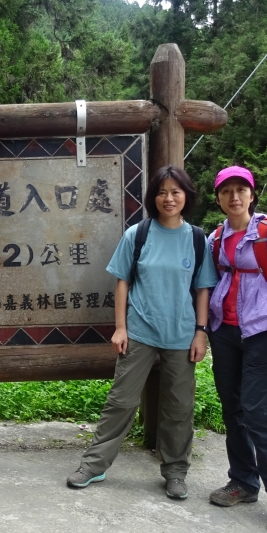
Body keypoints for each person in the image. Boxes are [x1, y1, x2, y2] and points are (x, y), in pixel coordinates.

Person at [67, 166, 217, 499]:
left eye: (176, 192)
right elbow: (123, 282)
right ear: (153, 197)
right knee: (121, 401)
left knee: (179, 408)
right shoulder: (138, 234)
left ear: (186, 197)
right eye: (162, 192)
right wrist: (121, 327)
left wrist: (200, 333)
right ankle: (94, 465)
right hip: (139, 332)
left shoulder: (196, 239)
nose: (169, 198)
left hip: (180, 335)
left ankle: (176, 472)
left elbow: (203, 289)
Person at [206, 166, 267, 532]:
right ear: (218, 198)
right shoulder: (215, 238)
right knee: (232, 409)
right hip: (225, 332)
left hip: (262, 333)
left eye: (241, 190)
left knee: (258, 414)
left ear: (252, 194)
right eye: (227, 191)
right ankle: (244, 482)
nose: (234, 197)